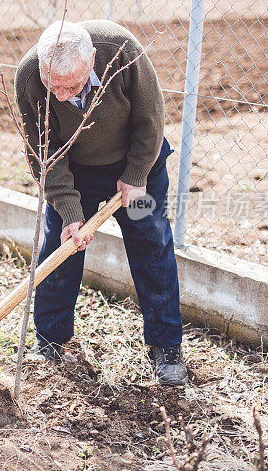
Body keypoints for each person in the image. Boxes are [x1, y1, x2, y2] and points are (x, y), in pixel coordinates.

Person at [14, 20, 187, 386]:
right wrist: (69, 209)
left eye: (71, 86)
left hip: (139, 174)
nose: (60, 96)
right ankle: (49, 340)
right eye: (52, 86)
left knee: (151, 240)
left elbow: (151, 119)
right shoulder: (30, 77)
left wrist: (137, 175)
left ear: (92, 59)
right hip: (76, 178)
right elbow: (42, 153)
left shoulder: (121, 51)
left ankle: (166, 345)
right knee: (59, 248)